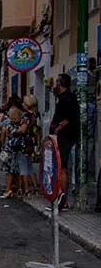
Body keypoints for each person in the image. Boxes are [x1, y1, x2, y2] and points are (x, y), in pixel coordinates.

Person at [50, 73, 80, 211]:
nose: (55, 84)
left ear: (61, 83)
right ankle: (62, 198)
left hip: (65, 136)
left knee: (62, 167)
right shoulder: (62, 98)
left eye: (57, 82)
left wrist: (58, 128)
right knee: (61, 166)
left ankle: (63, 199)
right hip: (63, 136)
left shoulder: (67, 98)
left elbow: (69, 117)